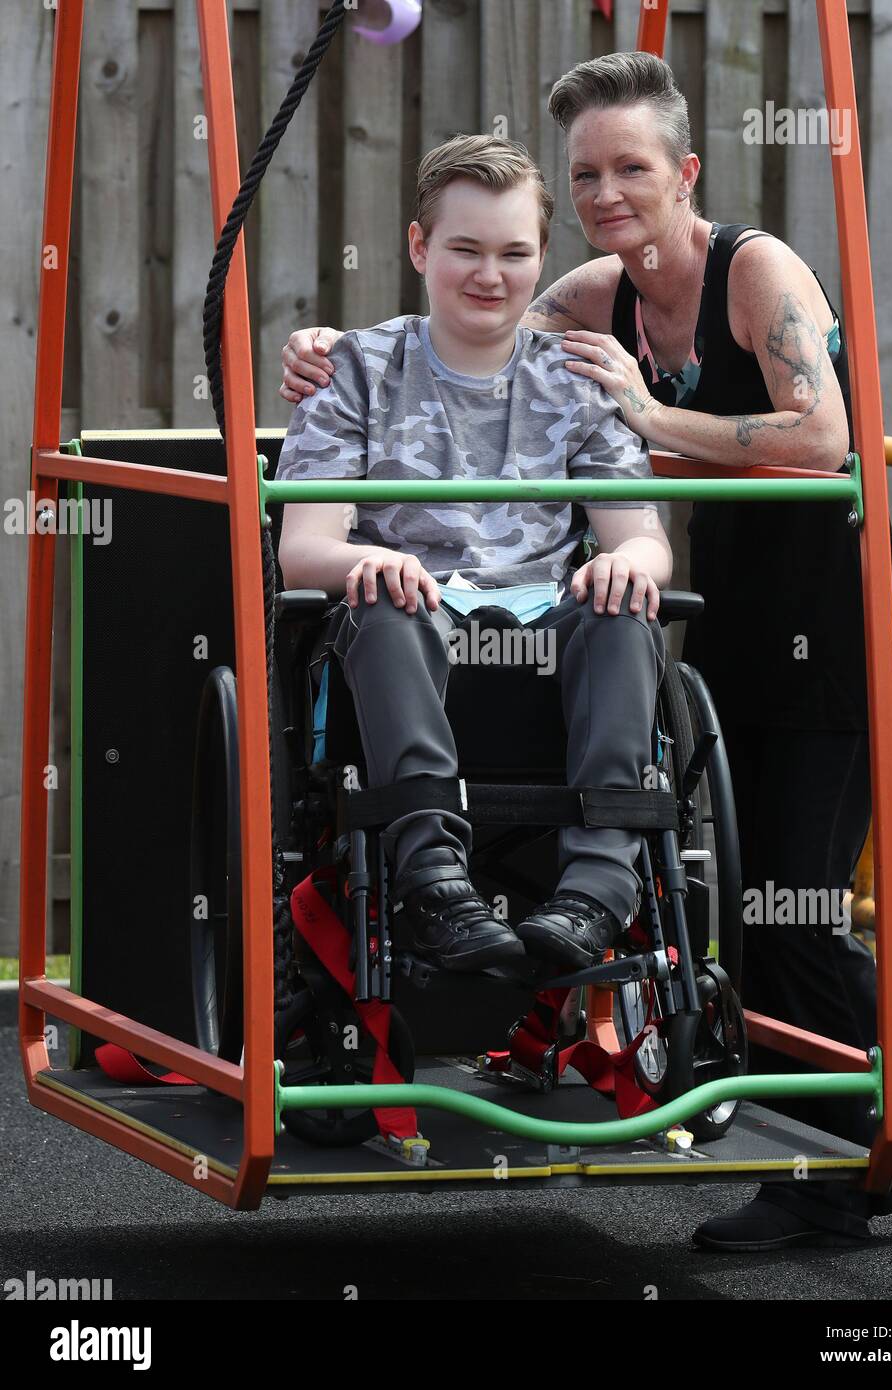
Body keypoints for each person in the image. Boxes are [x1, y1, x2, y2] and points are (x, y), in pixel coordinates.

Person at [280, 53, 892, 1253]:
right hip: (731, 611)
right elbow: (472, 332)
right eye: (585, 173)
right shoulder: (587, 301)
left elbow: (822, 437)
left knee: (792, 905)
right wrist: (336, 347)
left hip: (827, 611)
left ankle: (889, 1144)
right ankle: (832, 1146)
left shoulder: (755, 271)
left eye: (629, 167)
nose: (605, 191)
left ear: (684, 171)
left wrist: (644, 426)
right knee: (758, 910)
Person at [276, 133, 673, 979]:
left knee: (621, 607)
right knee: (384, 599)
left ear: (541, 258)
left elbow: (642, 540)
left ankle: (601, 886)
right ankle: (431, 875)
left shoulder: (575, 380)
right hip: (405, 630)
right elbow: (302, 546)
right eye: (465, 250)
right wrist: (361, 563)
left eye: (513, 253)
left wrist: (629, 562)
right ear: (420, 248)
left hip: (543, 633)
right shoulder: (351, 369)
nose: (489, 275)